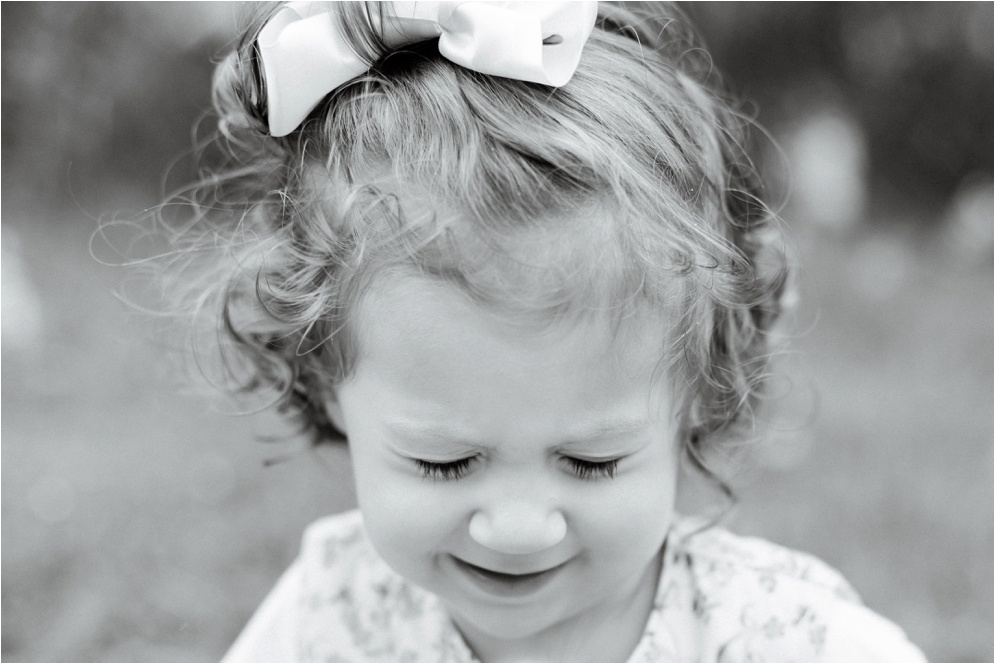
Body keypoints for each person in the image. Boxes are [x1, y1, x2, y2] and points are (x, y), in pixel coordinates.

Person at [166, 2, 925, 660]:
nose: (518, 527)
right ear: (323, 377)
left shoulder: (778, 637)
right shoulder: (328, 621)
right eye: (446, 462)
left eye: (591, 461)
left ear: (698, 390)